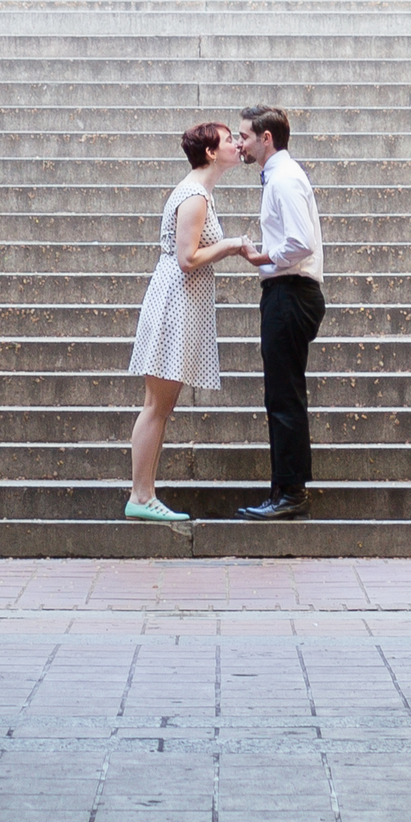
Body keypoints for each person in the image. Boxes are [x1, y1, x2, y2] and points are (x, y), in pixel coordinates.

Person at [124, 119, 257, 524]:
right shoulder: (195, 195)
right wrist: (231, 245)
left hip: (177, 302)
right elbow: (187, 259)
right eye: (229, 140)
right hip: (174, 304)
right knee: (156, 407)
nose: (237, 144)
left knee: (159, 406)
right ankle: (141, 496)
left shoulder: (199, 193)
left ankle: (143, 494)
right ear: (212, 152)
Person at [234, 104, 325, 519]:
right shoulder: (281, 176)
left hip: (290, 292)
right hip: (288, 292)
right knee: (282, 394)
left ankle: (290, 493)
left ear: (265, 138)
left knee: (284, 396)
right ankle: (285, 489)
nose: (239, 144)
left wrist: (262, 258)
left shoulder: (284, 179)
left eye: (245, 137)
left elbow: (301, 242)